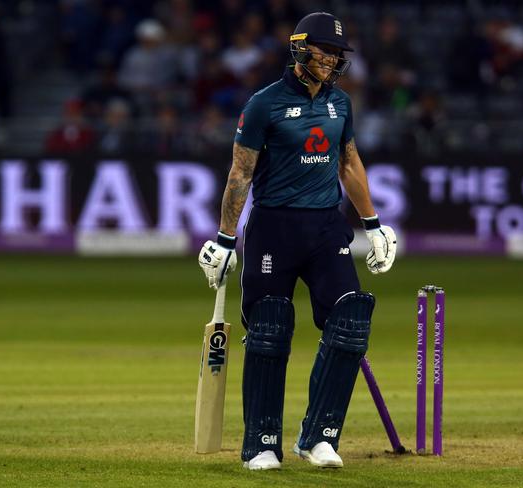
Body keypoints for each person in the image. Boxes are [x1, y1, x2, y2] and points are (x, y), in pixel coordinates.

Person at [198, 12, 397, 470]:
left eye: (337, 54)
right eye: (324, 51)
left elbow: (349, 163)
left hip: (327, 227)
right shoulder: (264, 104)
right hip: (274, 228)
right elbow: (240, 173)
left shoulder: (340, 105)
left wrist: (374, 224)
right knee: (269, 330)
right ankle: (261, 444)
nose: (331, 60)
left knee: (350, 320)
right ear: (300, 48)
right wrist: (225, 239)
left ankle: (319, 437)